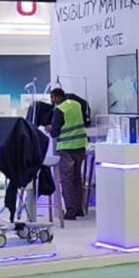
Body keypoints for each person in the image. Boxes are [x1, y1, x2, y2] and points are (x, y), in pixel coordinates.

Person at [48, 88, 87, 220]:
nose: (52, 101)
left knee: (67, 180)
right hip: (80, 146)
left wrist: (50, 128)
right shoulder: (77, 104)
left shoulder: (60, 110)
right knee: (77, 179)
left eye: (52, 98)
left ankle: (70, 211)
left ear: (57, 97)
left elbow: (55, 133)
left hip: (66, 148)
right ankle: (79, 209)